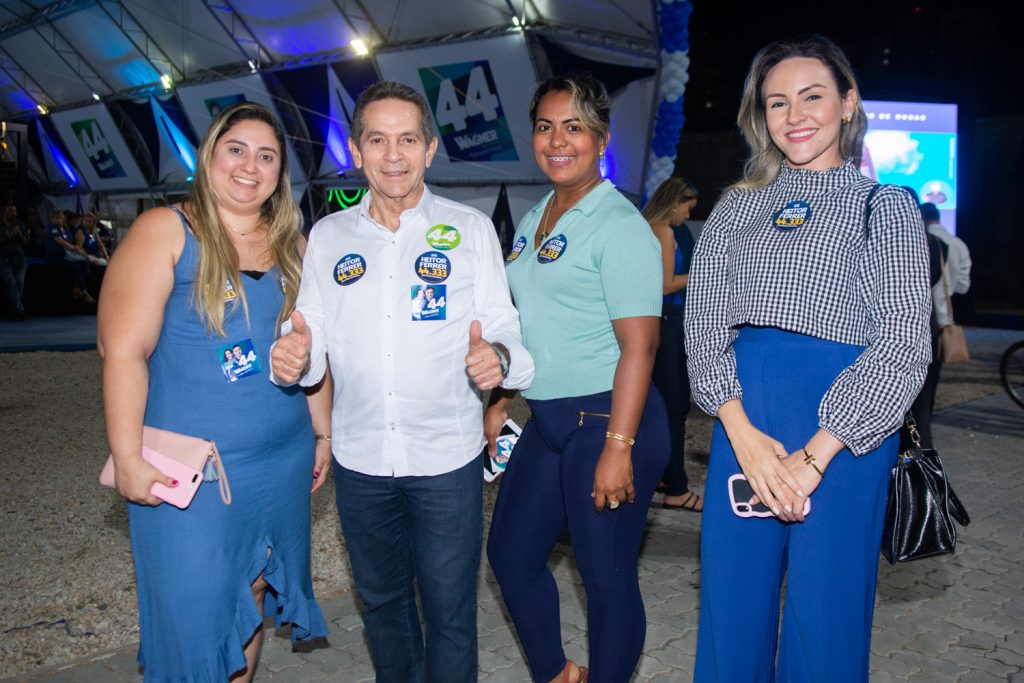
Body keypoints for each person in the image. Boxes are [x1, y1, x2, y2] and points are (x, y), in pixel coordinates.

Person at [685, 35, 931, 682]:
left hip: (848, 433)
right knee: (731, 611)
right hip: (746, 425)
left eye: (812, 96)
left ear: (848, 103)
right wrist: (742, 434)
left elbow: (905, 341)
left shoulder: (886, 206)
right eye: (777, 102)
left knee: (826, 620)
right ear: (760, 115)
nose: (794, 115)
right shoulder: (735, 207)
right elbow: (703, 324)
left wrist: (817, 454)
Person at [269, 81, 534, 683]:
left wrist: (497, 356)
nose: (394, 155)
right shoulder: (329, 237)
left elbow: (505, 329)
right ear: (356, 150)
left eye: (408, 140)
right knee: (383, 607)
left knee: (450, 612)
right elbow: (310, 336)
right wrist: (294, 355)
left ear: (430, 149)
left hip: (446, 459)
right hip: (361, 461)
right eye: (378, 140)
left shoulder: (470, 229)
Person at [97, 102, 330, 682]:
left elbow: (316, 350)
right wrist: (127, 457)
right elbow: (121, 350)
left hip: (282, 461)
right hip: (194, 472)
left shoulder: (294, 245)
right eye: (237, 149)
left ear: (281, 173)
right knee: (194, 610)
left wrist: (324, 433)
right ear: (209, 156)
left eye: (267, 156)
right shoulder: (165, 231)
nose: (250, 166)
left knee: (250, 594)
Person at [485, 74, 669, 683]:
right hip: (550, 419)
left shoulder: (619, 224)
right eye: (545, 127)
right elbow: (530, 323)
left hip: (610, 417)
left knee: (604, 575)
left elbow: (641, 346)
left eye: (574, 127)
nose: (557, 141)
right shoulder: (537, 216)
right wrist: (502, 398)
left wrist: (619, 446)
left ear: (602, 139)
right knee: (511, 555)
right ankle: (559, 673)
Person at [641, 177, 702, 512]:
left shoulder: (646, 228)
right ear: (674, 202)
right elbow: (664, 285)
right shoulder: (662, 230)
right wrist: (704, 275)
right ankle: (676, 487)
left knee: (656, 405)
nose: (687, 216)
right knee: (675, 408)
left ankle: (662, 475)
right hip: (666, 321)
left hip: (656, 321)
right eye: (687, 208)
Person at [44, 208, 94, 304]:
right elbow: (61, 242)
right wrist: (74, 248)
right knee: (75, 267)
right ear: (54, 219)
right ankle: (84, 291)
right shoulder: (52, 227)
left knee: (84, 263)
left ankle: (77, 288)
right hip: (55, 256)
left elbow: (69, 240)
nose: (62, 221)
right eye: (60, 219)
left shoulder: (64, 229)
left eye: (62, 219)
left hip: (66, 255)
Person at [0, 204, 29, 320]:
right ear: (4, 212)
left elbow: (26, 243)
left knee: (19, 284)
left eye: (15, 211)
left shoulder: (19, 224)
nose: (14, 214)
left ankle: (15, 312)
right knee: (10, 282)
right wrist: (9, 235)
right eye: (11, 211)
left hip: (19, 257)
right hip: (3, 258)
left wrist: (20, 235)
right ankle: (19, 311)